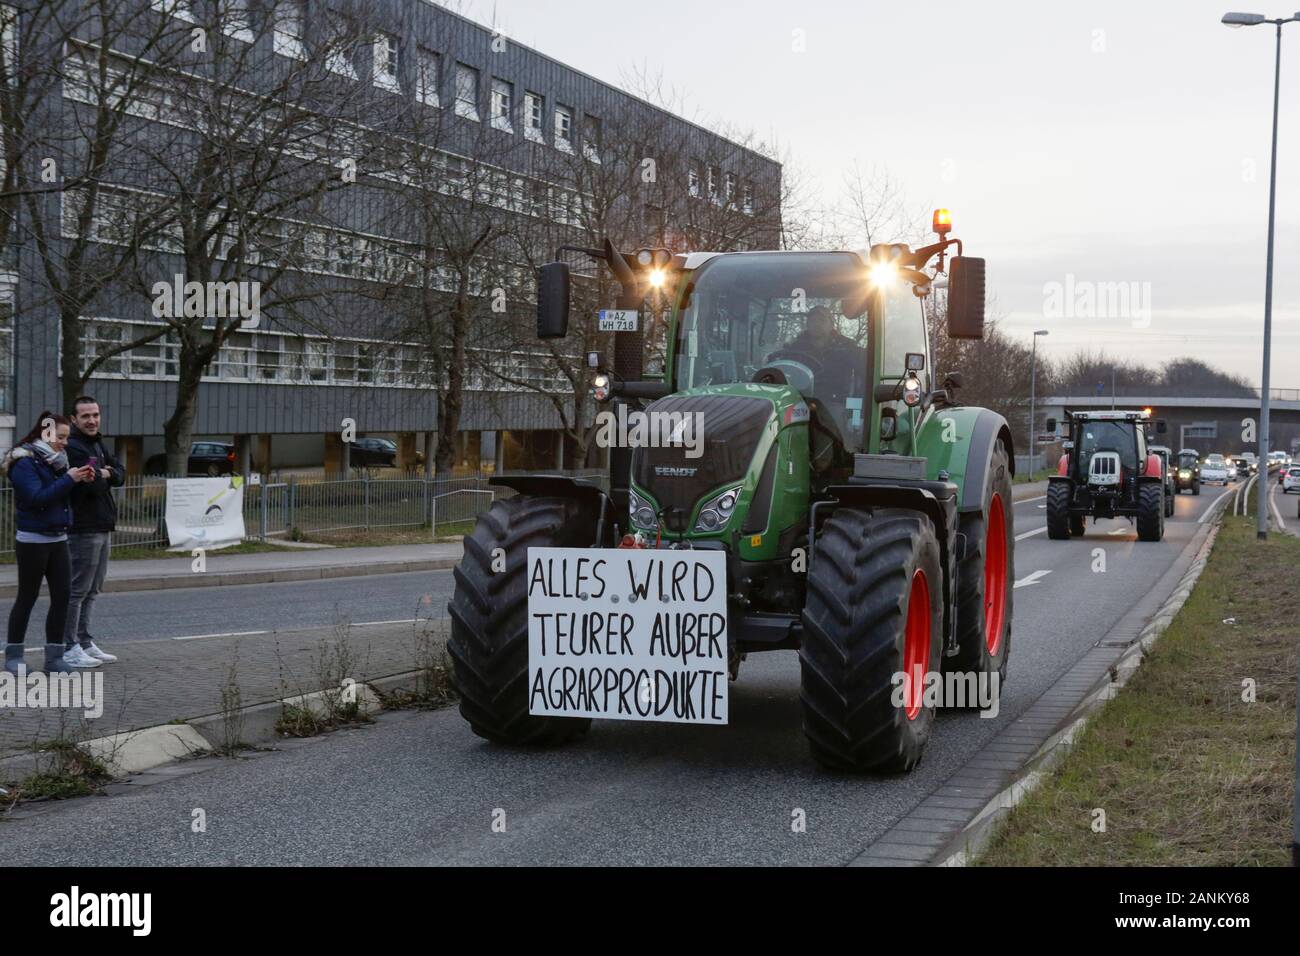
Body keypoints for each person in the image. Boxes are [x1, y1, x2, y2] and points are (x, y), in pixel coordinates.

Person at [2, 412, 97, 676]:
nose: (65, 443)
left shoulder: (57, 461)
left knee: (62, 598)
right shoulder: (24, 461)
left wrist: (78, 483)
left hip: (58, 538)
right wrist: (69, 479)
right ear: (45, 434)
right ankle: (14, 657)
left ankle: (54, 658)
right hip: (33, 540)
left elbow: (62, 503)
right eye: (61, 437)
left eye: (67, 437)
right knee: (27, 597)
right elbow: (36, 498)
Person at [64, 395, 124, 666]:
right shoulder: (74, 447)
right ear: (74, 419)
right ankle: (69, 646)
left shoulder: (98, 442)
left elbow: (120, 473)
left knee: (93, 589)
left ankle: (85, 641)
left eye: (95, 415)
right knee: (77, 590)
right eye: (86, 416)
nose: (92, 420)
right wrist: (106, 474)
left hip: (102, 525)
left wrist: (106, 473)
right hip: (83, 528)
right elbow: (90, 487)